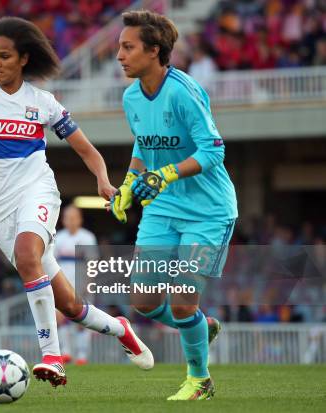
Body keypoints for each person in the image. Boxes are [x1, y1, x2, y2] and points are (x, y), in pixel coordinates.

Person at [0, 16, 153, 387]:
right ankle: (121, 329)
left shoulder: (42, 103)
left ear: (23, 58)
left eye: (4, 56)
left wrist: (103, 179)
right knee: (70, 306)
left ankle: (52, 358)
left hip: (37, 192)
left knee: (27, 256)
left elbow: (87, 150)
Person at [111, 11, 237, 400]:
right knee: (144, 302)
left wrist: (166, 174)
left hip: (208, 210)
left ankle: (200, 380)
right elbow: (143, 143)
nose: (119, 55)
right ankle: (201, 326)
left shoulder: (184, 91)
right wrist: (131, 181)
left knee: (182, 303)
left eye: (128, 47)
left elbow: (214, 150)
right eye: (119, 46)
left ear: (154, 51)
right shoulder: (131, 96)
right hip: (163, 209)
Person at [54, 205, 97, 365]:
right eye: (67, 217)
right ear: (63, 220)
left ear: (79, 219)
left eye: (74, 217)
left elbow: (92, 263)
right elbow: (52, 263)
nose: (71, 221)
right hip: (63, 285)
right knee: (60, 318)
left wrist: (88, 283)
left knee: (83, 321)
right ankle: (66, 352)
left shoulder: (87, 237)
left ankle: (82, 356)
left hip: (82, 285)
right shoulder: (58, 237)